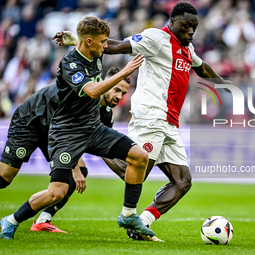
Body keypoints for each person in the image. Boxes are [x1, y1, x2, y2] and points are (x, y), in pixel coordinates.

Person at [53, 2, 233, 241]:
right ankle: (91, 141)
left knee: (182, 181)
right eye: (186, 26)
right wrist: (78, 39)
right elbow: (117, 46)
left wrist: (224, 84)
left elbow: (202, 68)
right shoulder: (156, 38)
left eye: (194, 27)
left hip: (169, 122)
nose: (191, 31)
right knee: (135, 169)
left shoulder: (186, 49)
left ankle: (142, 222)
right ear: (173, 22)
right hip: (151, 115)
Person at [0, 16, 154, 240]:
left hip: (90, 127)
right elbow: (91, 91)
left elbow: (92, 46)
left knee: (140, 156)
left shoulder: (93, 52)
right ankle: (11, 220)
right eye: (103, 42)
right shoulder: (70, 64)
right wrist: (124, 71)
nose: (106, 46)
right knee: (35, 185)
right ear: (90, 42)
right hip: (48, 125)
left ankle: (129, 214)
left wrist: (75, 39)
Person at [0, 67, 129, 233]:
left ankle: (43, 220)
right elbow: (67, 137)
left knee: (78, 171)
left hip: (54, 131)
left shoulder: (105, 114)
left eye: (123, 93)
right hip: (30, 121)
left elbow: (103, 148)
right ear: (105, 83)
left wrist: (128, 172)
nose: (119, 97)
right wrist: (74, 170)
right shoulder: (83, 97)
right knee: (4, 178)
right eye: (116, 89)